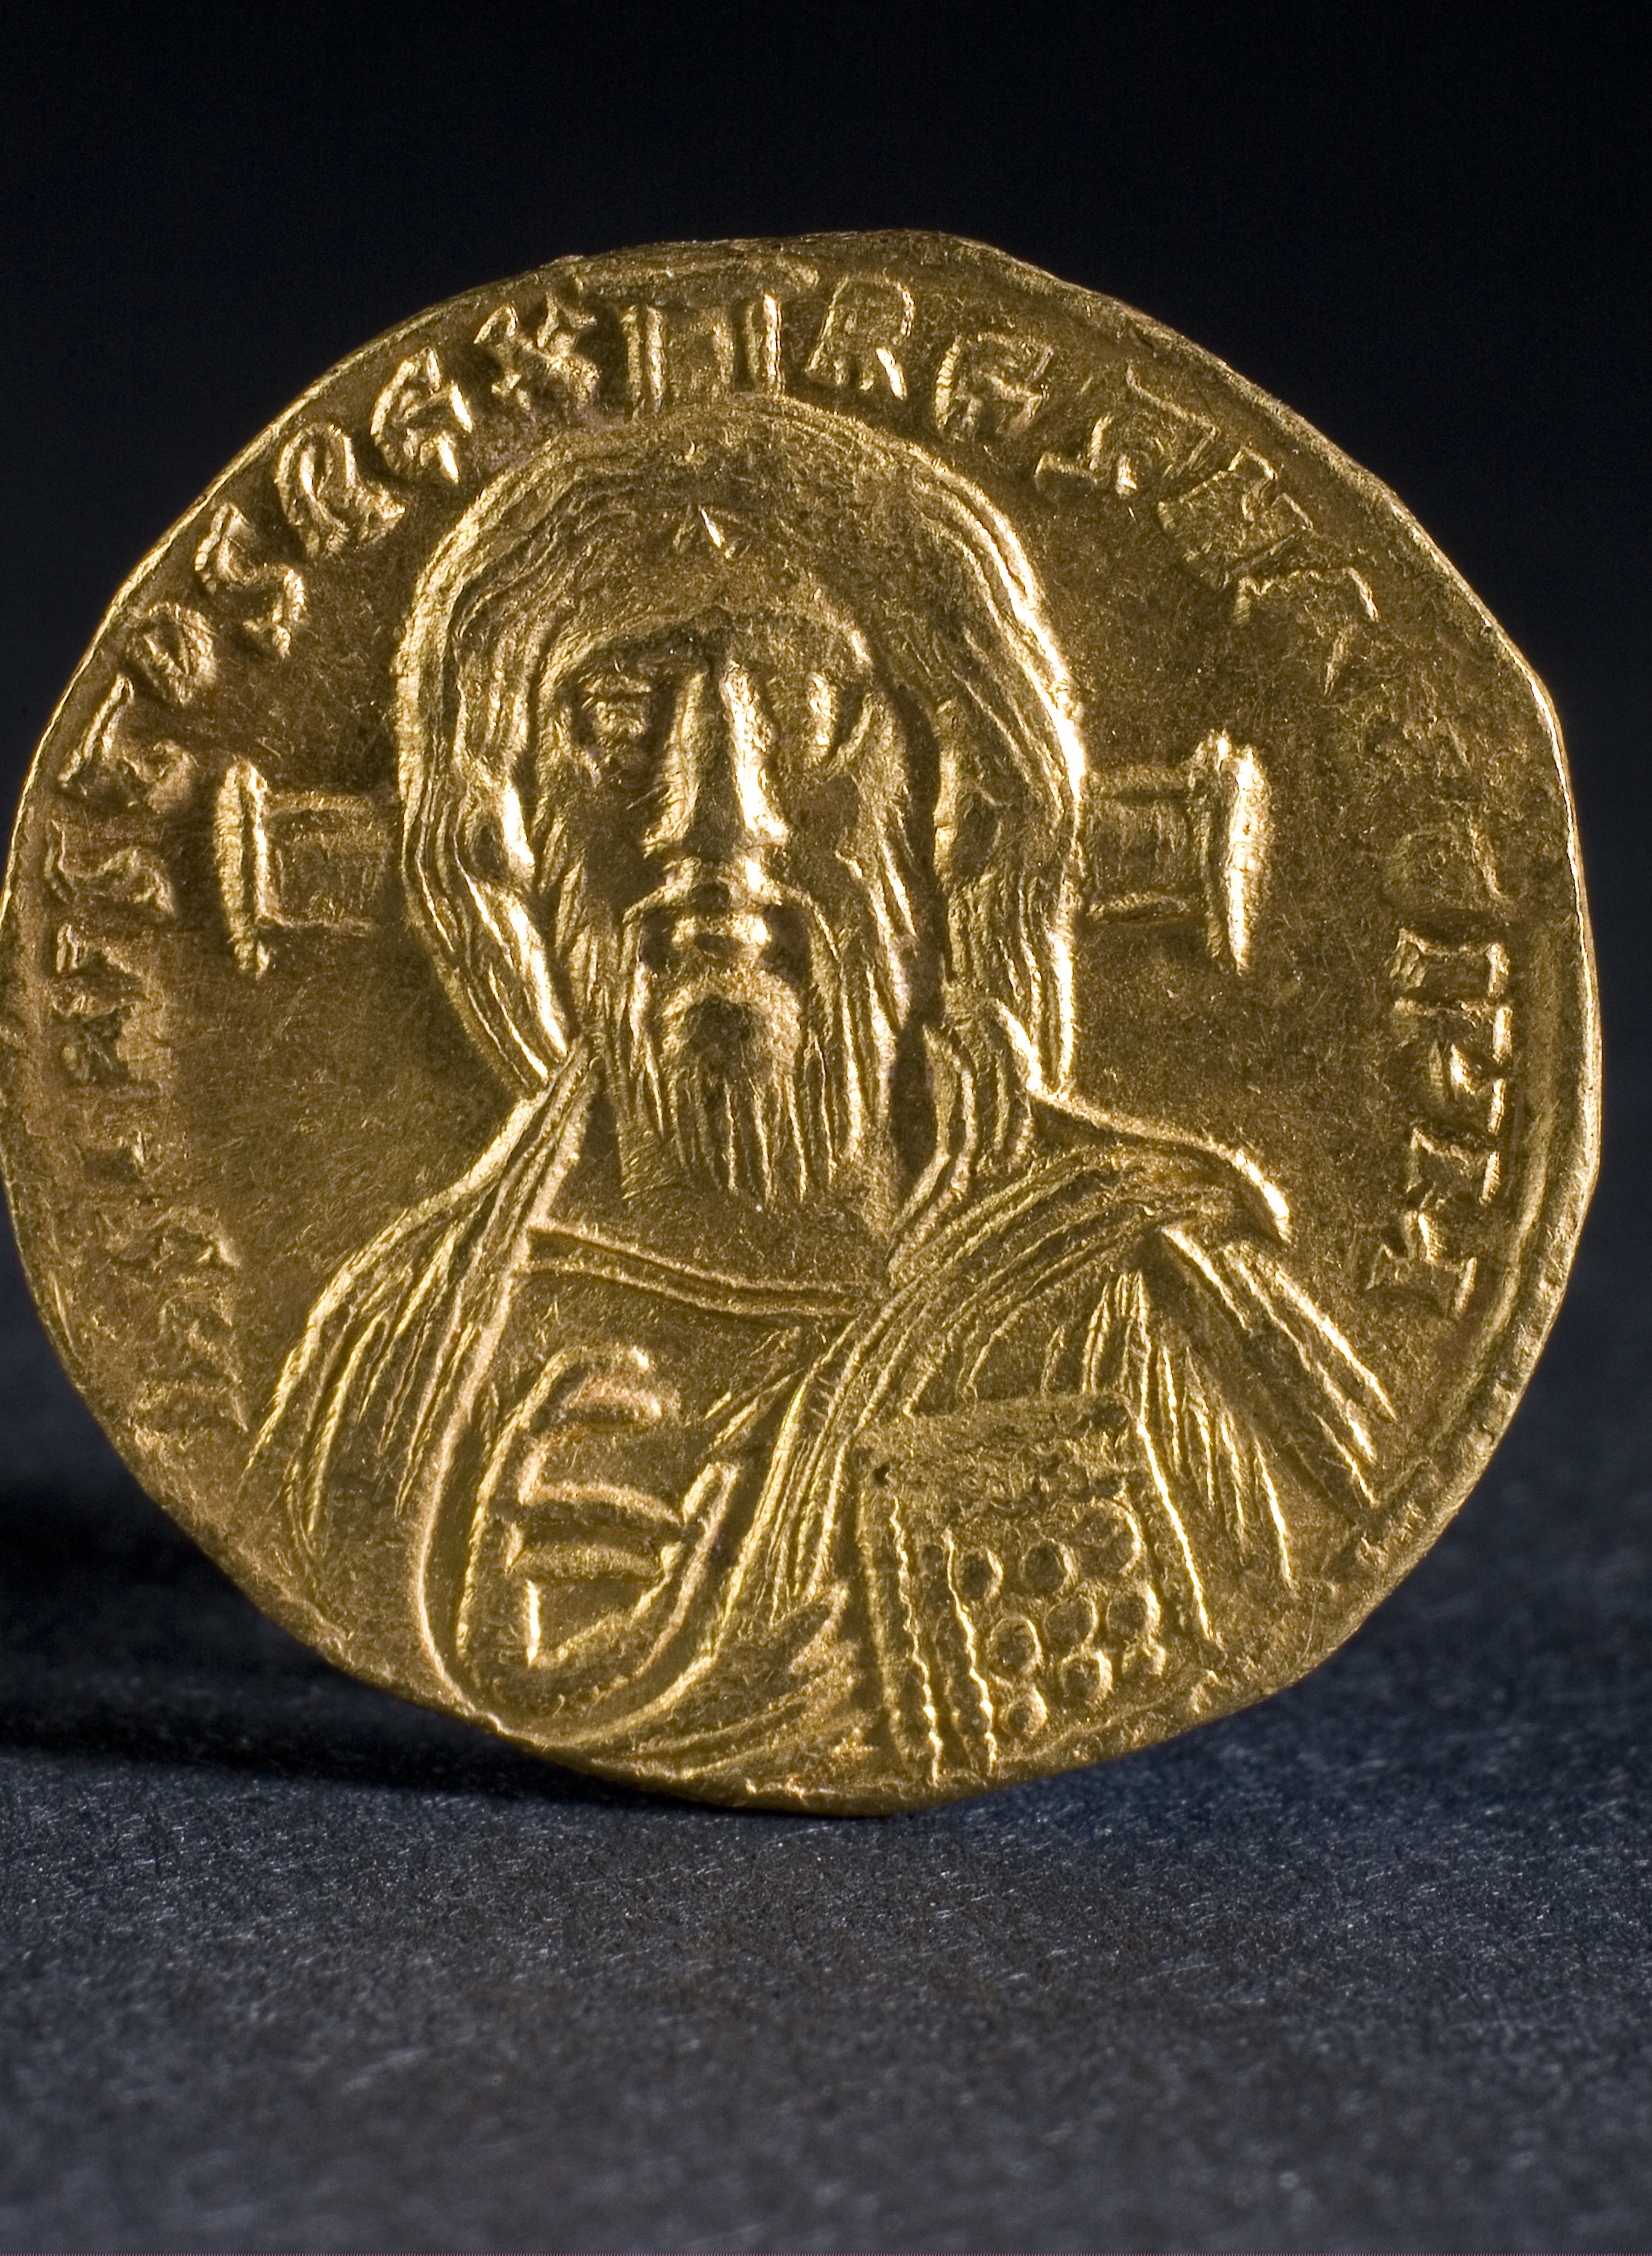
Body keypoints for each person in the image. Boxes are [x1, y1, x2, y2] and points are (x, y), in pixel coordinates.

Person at [245, 392, 1391, 1796]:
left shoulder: (1146, 1305)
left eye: (801, 708)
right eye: (614, 719)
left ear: (955, 797)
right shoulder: (393, 1352)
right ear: (509, 838)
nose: (711, 819)